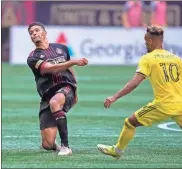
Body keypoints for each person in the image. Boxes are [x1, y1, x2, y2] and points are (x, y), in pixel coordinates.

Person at [97, 25, 182, 159]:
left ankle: (117, 150)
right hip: (180, 104)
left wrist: (114, 97)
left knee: (130, 122)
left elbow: (135, 83)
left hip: (163, 105)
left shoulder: (148, 58)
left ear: (149, 40)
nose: (145, 44)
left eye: (145, 41)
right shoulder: (176, 58)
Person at [27, 22, 88, 156]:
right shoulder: (32, 57)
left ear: (45, 33)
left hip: (65, 86)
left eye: (37, 30)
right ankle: (55, 144)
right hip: (47, 94)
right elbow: (49, 68)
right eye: (31, 33)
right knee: (47, 144)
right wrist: (72, 61)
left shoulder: (62, 48)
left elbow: (69, 69)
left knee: (55, 102)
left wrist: (75, 90)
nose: (34, 33)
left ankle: (66, 147)